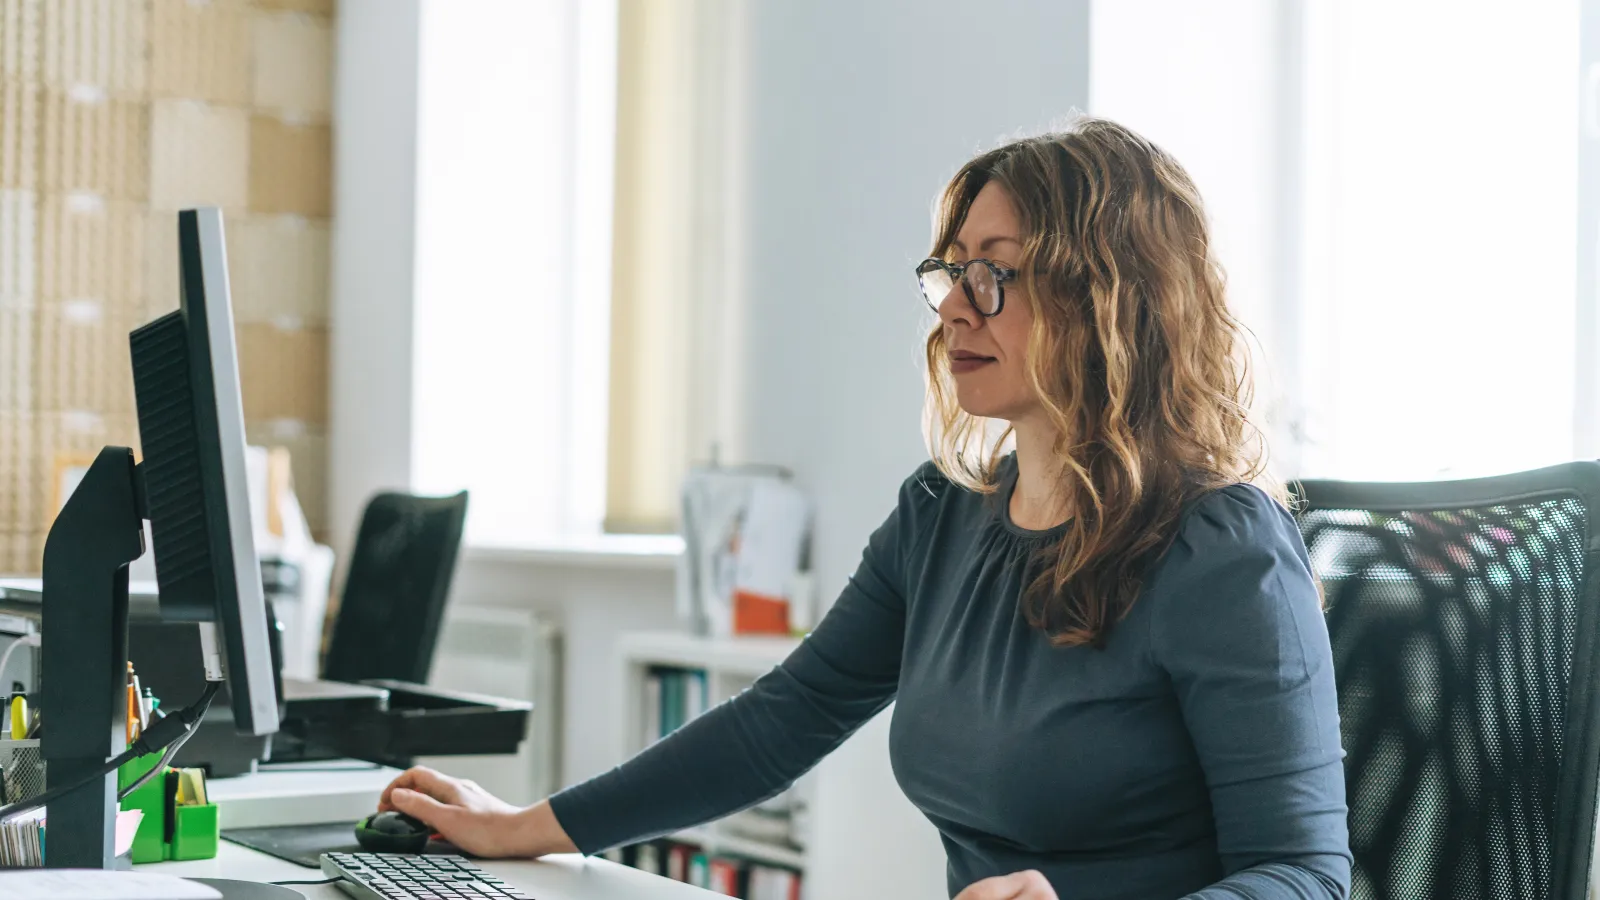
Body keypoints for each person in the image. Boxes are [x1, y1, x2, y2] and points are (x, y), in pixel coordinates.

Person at [378, 117, 1352, 900]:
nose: (954, 307)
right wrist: (522, 828)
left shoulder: (1220, 550)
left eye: (995, 272)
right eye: (950, 271)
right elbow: (782, 721)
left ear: (1109, 301)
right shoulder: (943, 516)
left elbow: (1305, 873)